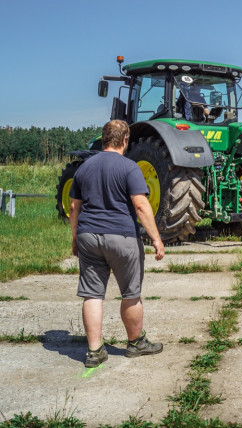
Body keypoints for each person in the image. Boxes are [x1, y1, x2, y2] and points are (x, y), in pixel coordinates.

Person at [68, 120, 165, 368]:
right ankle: (135, 343)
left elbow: (73, 207)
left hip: (88, 236)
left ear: (103, 140)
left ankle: (94, 351)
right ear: (124, 141)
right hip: (122, 237)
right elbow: (141, 205)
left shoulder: (84, 167)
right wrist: (155, 238)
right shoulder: (129, 167)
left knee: (92, 294)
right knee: (131, 293)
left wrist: (75, 238)